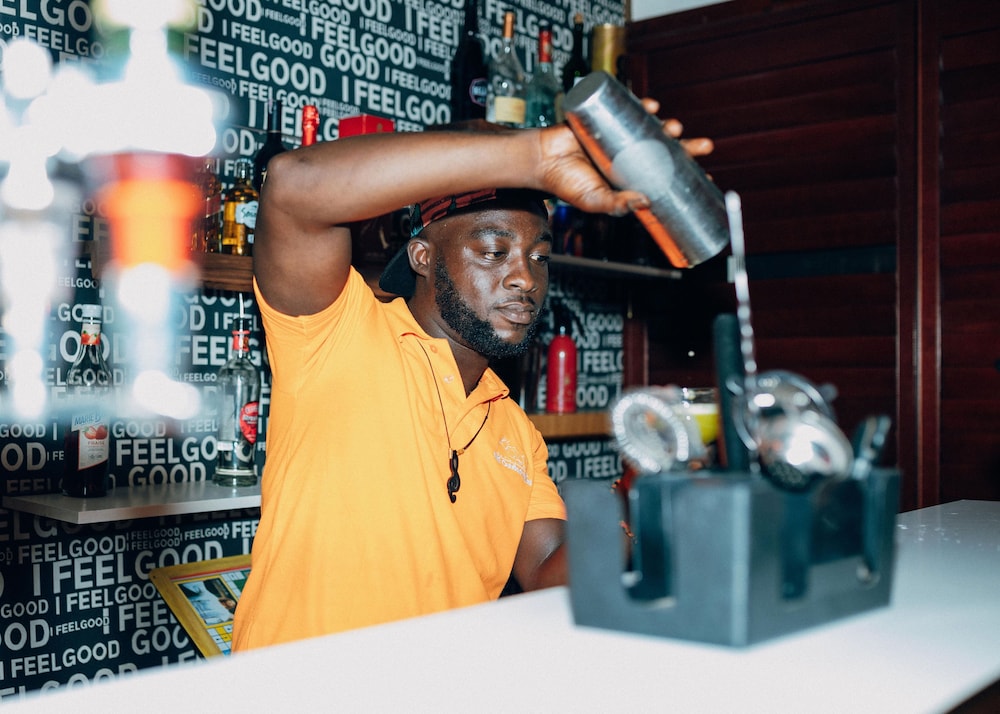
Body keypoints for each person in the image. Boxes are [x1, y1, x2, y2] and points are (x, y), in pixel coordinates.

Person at [232, 102, 712, 651]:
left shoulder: (513, 429)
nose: (524, 277)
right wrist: (534, 156)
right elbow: (293, 184)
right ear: (421, 256)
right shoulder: (337, 336)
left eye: (539, 258)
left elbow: (547, 576)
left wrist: (636, 503)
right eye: (492, 250)